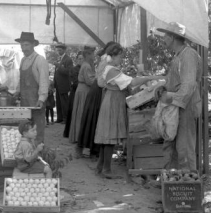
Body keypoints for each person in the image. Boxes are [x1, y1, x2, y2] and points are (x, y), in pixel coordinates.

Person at [94, 43, 161, 178]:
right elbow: (131, 82)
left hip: (112, 100)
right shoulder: (111, 70)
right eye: (119, 56)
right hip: (113, 102)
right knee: (110, 136)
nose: (121, 59)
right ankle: (106, 170)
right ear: (112, 56)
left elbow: (127, 82)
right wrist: (148, 78)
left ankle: (100, 167)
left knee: (106, 135)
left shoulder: (110, 68)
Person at [154, 22, 202, 171]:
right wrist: (164, 87)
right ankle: (174, 182)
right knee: (173, 146)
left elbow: (188, 86)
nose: (163, 39)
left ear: (173, 37)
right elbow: (175, 80)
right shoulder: (178, 55)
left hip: (186, 107)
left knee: (185, 147)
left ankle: (189, 184)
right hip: (177, 106)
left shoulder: (188, 55)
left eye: (166, 36)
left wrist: (170, 97)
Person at [75, 41, 116, 159]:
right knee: (92, 120)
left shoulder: (106, 62)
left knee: (92, 120)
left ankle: (92, 149)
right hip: (97, 92)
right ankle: (90, 149)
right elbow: (101, 82)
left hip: (96, 91)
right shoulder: (105, 62)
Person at [14, 32, 49, 144]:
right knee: (26, 130)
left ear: (33, 44)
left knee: (37, 131)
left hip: (36, 102)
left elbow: (44, 81)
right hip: (25, 102)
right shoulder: (23, 60)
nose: (24, 48)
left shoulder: (40, 60)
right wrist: (17, 92)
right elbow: (21, 80)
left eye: (26, 45)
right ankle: (27, 154)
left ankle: (39, 156)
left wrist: (41, 99)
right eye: (22, 45)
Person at [68, 47, 96, 146]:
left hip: (81, 89)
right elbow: (89, 81)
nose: (94, 56)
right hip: (84, 90)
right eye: (92, 54)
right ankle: (80, 136)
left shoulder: (85, 65)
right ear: (88, 55)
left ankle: (77, 135)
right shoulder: (87, 66)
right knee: (82, 113)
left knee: (79, 112)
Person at [63, 51, 83, 138]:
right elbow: (74, 83)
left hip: (82, 94)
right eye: (79, 58)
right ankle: (71, 133)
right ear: (76, 59)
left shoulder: (88, 68)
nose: (81, 60)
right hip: (75, 94)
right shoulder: (74, 69)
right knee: (73, 112)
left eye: (82, 59)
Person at [53, 43, 73, 124]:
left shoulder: (68, 59)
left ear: (64, 50)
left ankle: (66, 118)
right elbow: (56, 72)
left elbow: (69, 72)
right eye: (57, 50)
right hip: (58, 84)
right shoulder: (59, 58)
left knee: (64, 102)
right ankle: (60, 118)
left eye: (60, 50)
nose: (58, 52)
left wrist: (59, 66)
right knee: (58, 101)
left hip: (64, 85)